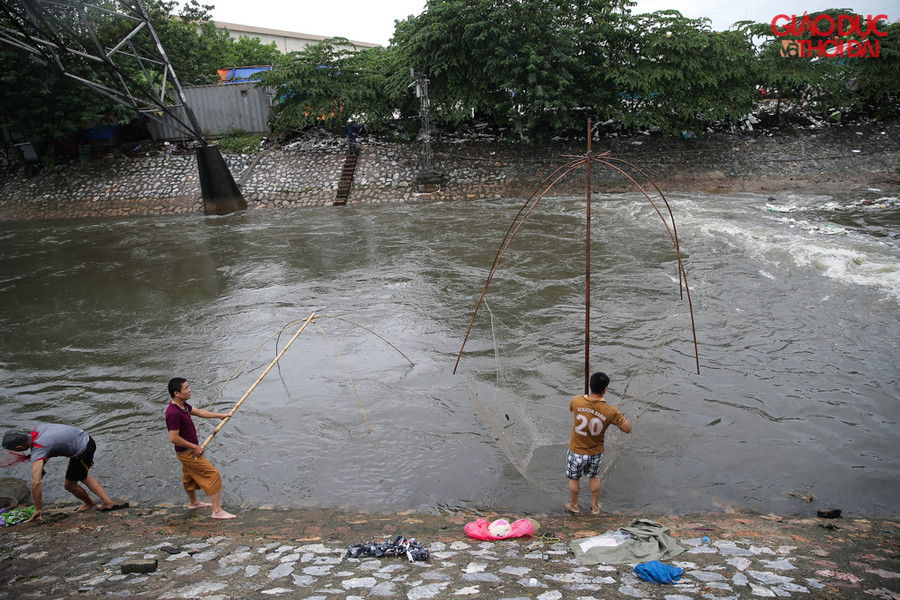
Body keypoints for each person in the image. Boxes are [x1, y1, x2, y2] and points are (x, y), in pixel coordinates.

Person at [2, 424, 116, 522]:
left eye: (14, 450)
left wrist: (38, 508)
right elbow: (52, 444)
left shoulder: (39, 450)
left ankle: (99, 503)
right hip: (84, 438)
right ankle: (100, 502)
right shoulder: (38, 429)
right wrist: (42, 465)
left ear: (19, 447)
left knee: (70, 485)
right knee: (81, 475)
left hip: (83, 449)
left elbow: (36, 482)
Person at [165, 377, 236, 520]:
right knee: (212, 475)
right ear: (176, 393)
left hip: (187, 452)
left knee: (189, 477)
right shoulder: (173, 413)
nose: (189, 389)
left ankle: (194, 503)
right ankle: (217, 511)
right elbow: (173, 438)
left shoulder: (183, 406)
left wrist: (220, 416)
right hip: (187, 452)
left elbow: (199, 412)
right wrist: (195, 447)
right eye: (186, 388)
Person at [565, 371, 631, 515]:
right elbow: (627, 428)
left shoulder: (577, 400)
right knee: (594, 477)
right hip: (595, 452)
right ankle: (595, 506)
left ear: (589, 385)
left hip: (576, 450)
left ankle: (574, 505)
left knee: (573, 478)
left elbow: (571, 408)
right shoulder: (610, 411)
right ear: (605, 389)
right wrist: (617, 420)